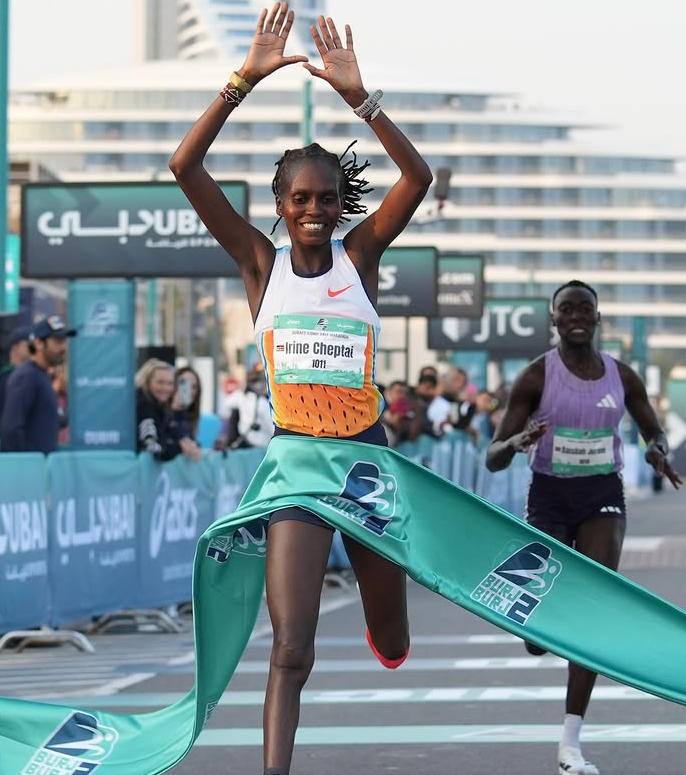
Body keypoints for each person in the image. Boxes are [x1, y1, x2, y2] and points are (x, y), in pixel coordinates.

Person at [170, 4, 431, 773]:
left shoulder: (362, 257)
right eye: (299, 200)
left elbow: (418, 178)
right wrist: (241, 80)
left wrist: (363, 99)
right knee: (290, 647)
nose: (314, 210)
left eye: (325, 198)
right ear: (280, 208)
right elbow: (185, 168)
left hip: (367, 464)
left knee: (393, 636)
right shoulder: (262, 266)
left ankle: (389, 622)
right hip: (296, 467)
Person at [485, 279, 683, 775]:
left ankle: (570, 745)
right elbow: (491, 458)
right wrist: (516, 442)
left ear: (597, 319)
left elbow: (652, 429)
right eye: (566, 308)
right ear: (553, 320)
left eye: (585, 308)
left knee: (594, 606)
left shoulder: (622, 377)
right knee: (540, 630)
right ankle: (536, 629)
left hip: (602, 495)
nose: (576, 314)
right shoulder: (535, 377)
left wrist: (658, 449)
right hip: (549, 497)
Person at [0, 315, 75, 454]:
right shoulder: (27, 376)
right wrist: (28, 466)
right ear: (39, 343)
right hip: (28, 471)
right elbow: (11, 430)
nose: (63, 347)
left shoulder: (42, 376)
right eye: (57, 341)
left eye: (64, 341)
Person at [135, 358, 202, 462]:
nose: (165, 388)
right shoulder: (144, 404)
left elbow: (173, 438)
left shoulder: (160, 408)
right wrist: (179, 448)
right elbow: (154, 449)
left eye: (170, 383)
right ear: (147, 382)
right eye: (160, 382)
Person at [216, 365, 275, 451]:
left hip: (243, 446)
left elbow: (225, 407)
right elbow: (273, 430)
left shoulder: (240, 397)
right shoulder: (263, 403)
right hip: (259, 449)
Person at [0, 323, 33, 434]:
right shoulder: (4, 379)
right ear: (15, 348)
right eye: (29, 344)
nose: (34, 348)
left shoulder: (32, 376)